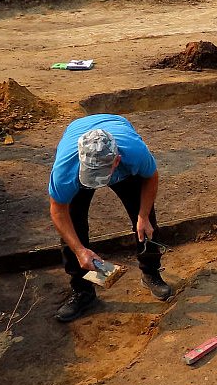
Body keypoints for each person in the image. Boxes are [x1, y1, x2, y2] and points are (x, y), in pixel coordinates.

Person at [48, 114, 173, 322]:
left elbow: (151, 177)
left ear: (116, 161)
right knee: (73, 230)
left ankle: (150, 272)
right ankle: (82, 291)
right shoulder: (65, 170)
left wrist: (142, 215)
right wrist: (80, 250)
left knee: (146, 221)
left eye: (101, 175)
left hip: (119, 145)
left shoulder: (134, 153)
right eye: (92, 176)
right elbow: (58, 211)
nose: (97, 183)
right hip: (77, 142)